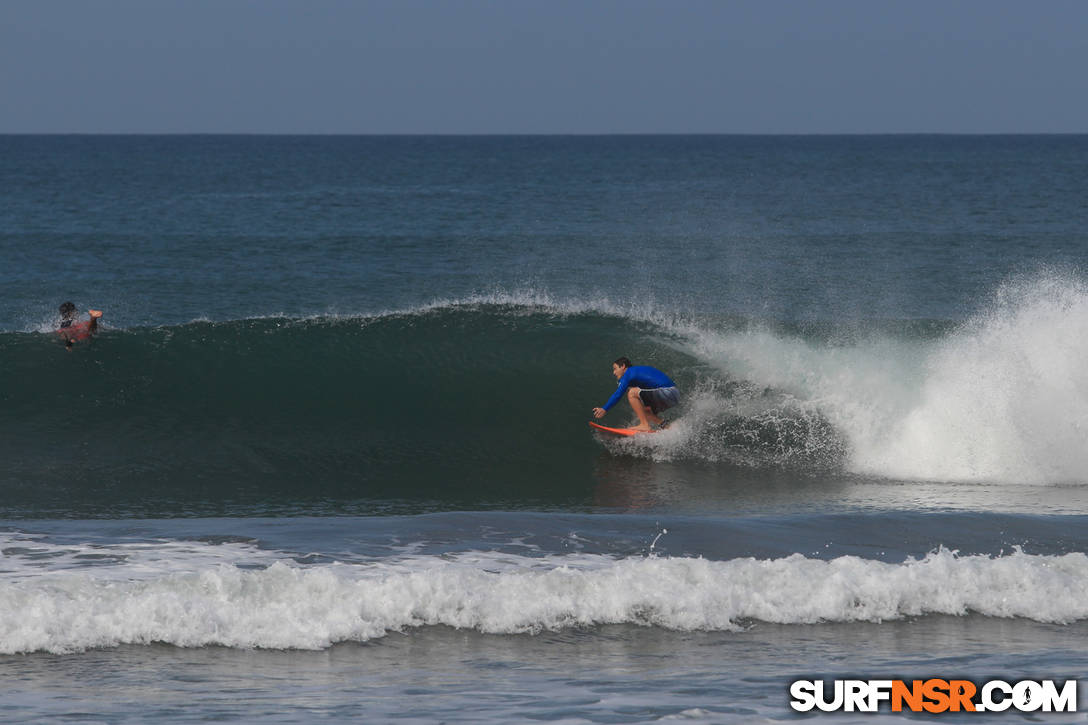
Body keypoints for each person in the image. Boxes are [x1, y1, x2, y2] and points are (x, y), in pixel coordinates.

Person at [592, 357, 679, 432]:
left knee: (632, 393)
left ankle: (644, 425)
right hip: (673, 395)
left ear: (623, 366)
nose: (614, 372)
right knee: (644, 411)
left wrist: (604, 409)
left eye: (615, 369)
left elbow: (618, 394)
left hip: (667, 392)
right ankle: (666, 426)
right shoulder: (636, 373)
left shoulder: (628, 373)